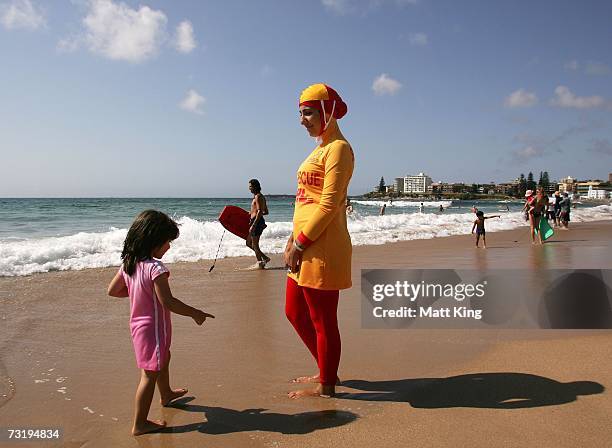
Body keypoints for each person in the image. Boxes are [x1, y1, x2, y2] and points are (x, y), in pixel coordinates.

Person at [107, 210, 214, 436]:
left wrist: (139, 293)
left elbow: (113, 291)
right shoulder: (156, 268)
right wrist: (196, 313)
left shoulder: (130, 264)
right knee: (149, 374)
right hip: (154, 329)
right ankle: (140, 423)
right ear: (153, 241)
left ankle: (166, 394)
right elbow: (169, 302)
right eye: (167, 242)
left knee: (163, 357)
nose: (169, 246)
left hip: (139, 327)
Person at [284, 83, 354, 399]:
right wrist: (291, 239)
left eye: (308, 112)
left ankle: (326, 385)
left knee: (322, 319)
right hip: (303, 240)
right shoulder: (318, 149)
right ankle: (327, 369)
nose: (302, 120)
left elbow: (328, 203)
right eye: (300, 113)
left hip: (322, 245)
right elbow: (304, 202)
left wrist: (300, 243)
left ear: (326, 112)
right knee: (294, 312)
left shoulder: (339, 149)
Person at [246, 179, 270, 269]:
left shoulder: (258, 197)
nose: (249, 188)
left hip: (256, 222)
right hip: (258, 221)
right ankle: (265, 258)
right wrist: (252, 212)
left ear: (255, 186)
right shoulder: (260, 197)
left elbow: (260, 211)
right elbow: (266, 212)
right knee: (249, 243)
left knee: (254, 245)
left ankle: (260, 263)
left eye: (250, 186)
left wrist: (254, 224)